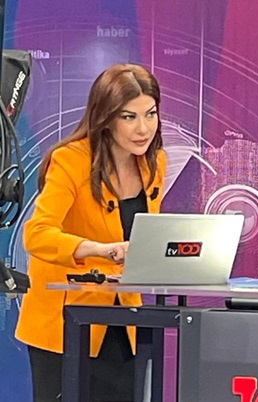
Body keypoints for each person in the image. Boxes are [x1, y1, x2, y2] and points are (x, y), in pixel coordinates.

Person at [15, 64, 166, 402]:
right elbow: (37, 234)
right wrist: (99, 249)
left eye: (151, 114)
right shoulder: (70, 161)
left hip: (124, 320)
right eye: (129, 117)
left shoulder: (154, 163)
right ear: (106, 117)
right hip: (66, 324)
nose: (143, 128)